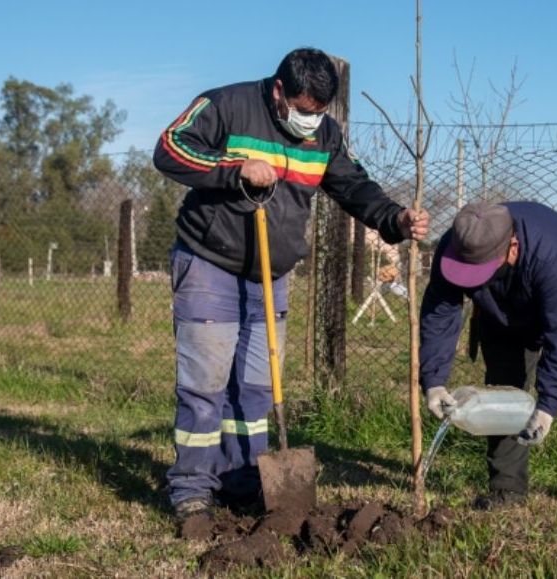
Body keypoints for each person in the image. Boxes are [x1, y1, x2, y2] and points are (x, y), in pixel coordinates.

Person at [153, 47, 429, 522]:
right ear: (280, 92)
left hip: (271, 276)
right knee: (206, 388)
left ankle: (241, 481)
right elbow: (170, 148)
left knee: (256, 390)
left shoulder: (325, 135)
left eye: (319, 113)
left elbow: (353, 186)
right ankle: (193, 489)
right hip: (209, 266)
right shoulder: (226, 105)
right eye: (303, 111)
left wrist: (395, 219)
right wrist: (232, 168)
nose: (310, 121)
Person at [419, 201, 557, 515]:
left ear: (511, 247)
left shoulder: (556, 255)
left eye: (479, 270)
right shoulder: (457, 244)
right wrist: (434, 381)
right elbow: (440, 312)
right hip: (501, 315)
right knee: (502, 394)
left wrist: (548, 405)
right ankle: (507, 489)